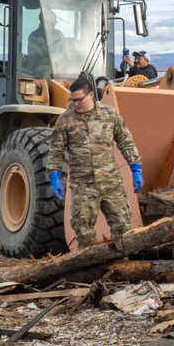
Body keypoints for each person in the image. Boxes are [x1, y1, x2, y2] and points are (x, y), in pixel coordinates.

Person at [47, 75, 144, 247]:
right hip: (83, 185)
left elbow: (125, 141)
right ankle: (90, 269)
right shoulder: (65, 121)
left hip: (110, 182)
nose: (76, 103)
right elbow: (56, 151)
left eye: (79, 99)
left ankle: (121, 265)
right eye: (72, 100)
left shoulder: (109, 115)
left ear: (91, 95)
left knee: (123, 227)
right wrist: (54, 177)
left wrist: (135, 168)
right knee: (84, 231)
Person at [21, 10, 64, 77]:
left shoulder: (58, 34)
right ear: (47, 21)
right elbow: (33, 54)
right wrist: (51, 46)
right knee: (49, 71)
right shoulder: (34, 36)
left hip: (58, 64)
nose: (56, 22)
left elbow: (63, 50)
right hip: (40, 66)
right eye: (54, 19)